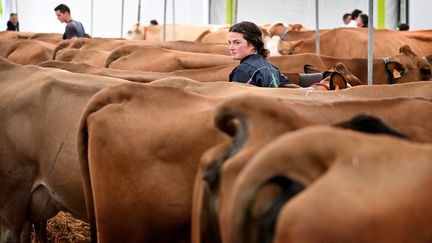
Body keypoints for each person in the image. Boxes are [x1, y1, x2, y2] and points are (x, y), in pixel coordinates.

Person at [228, 21, 286, 88]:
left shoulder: (243, 71)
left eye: (237, 42)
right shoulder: (274, 69)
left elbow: (237, 97)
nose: (230, 48)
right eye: (230, 43)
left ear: (252, 44)